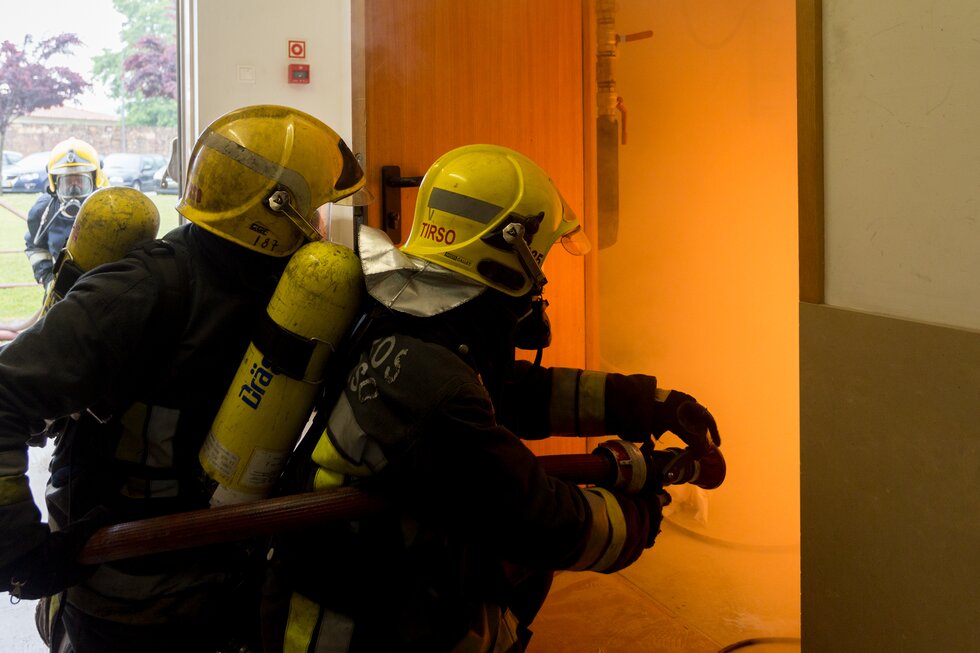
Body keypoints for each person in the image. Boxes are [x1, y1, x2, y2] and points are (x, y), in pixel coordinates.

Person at [261, 144, 721, 652]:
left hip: (376, 571)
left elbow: (514, 392)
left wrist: (647, 404)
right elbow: (536, 519)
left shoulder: (411, 316)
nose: (540, 279)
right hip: (356, 627)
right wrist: (639, 517)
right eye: (540, 256)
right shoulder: (432, 385)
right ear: (513, 254)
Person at [0, 104, 369, 653]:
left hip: (227, 575)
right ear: (276, 211)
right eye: (313, 208)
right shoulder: (141, 292)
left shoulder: (295, 295)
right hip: (127, 595)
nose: (319, 225)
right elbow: (5, 396)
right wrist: (18, 545)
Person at [24, 138, 108, 294]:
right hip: (62, 292)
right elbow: (36, 247)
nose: (74, 189)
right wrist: (48, 279)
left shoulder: (112, 210)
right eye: (68, 182)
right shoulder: (43, 211)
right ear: (55, 184)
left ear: (94, 181)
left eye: (80, 182)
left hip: (104, 291)